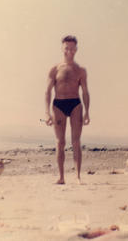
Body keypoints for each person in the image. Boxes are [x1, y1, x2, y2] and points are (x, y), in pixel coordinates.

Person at [45, 35, 90, 184]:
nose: (69, 51)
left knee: (76, 141)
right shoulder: (54, 69)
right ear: (62, 49)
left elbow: (85, 92)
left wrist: (87, 112)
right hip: (58, 104)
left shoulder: (80, 70)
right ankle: (61, 177)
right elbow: (47, 91)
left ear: (76, 49)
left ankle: (77, 176)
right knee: (60, 142)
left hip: (75, 104)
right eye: (66, 48)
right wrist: (46, 113)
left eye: (72, 48)